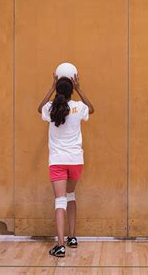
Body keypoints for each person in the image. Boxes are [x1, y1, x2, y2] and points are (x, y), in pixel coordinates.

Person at [38, 73, 94, 257]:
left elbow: (40, 108)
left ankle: (60, 245)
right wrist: (79, 89)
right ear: (72, 91)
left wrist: (51, 87)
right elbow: (91, 109)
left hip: (58, 161)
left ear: (57, 90)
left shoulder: (51, 108)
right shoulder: (78, 107)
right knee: (70, 196)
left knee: (60, 201)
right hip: (76, 160)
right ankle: (72, 237)